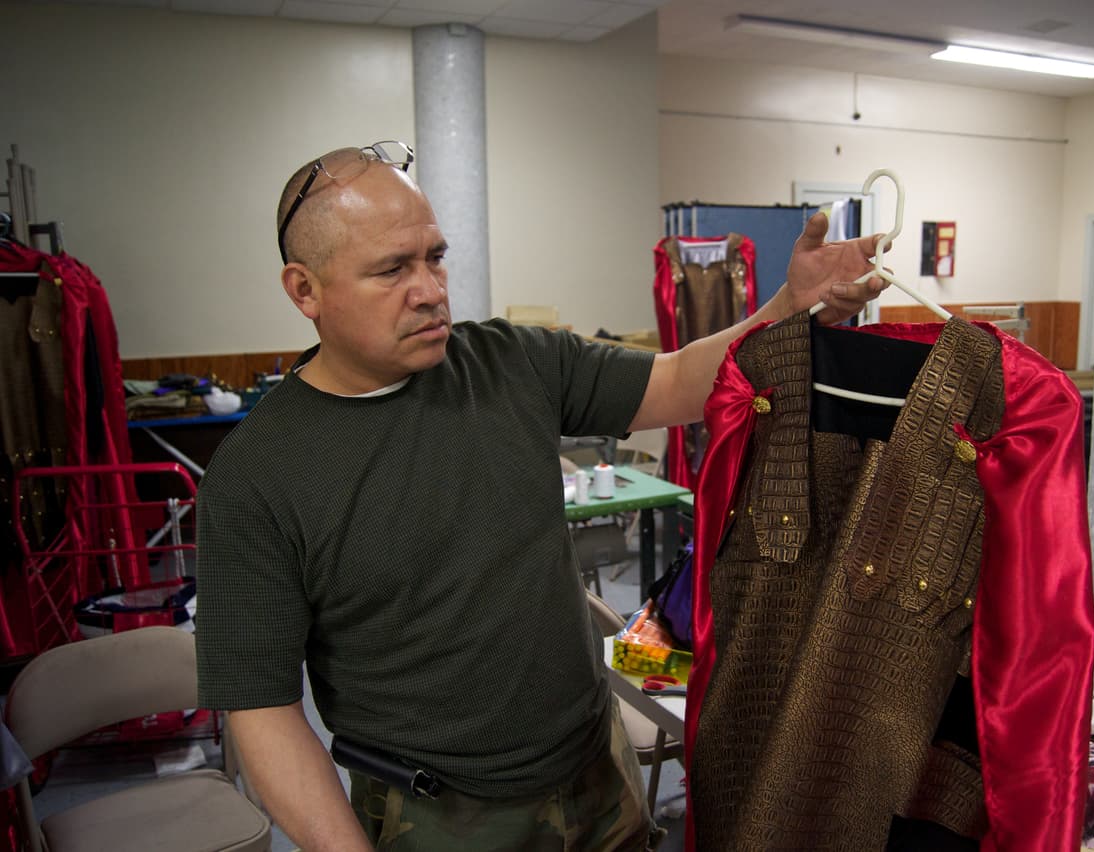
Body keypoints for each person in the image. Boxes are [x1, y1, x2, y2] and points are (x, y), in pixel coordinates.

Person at [195, 140, 889, 852]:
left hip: (597, 772)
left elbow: (682, 380)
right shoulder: (260, 476)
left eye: (434, 257)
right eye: (392, 269)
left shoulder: (508, 362)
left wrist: (792, 306)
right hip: (441, 815)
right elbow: (262, 706)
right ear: (304, 289)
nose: (431, 288)